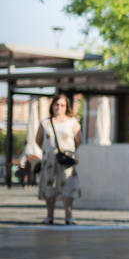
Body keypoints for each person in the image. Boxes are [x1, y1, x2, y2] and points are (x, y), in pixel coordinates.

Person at [35, 94, 81, 225]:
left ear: (67, 107)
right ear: (52, 106)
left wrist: (67, 152)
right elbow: (38, 140)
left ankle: (69, 215)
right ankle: (49, 216)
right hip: (49, 160)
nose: (59, 107)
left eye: (62, 105)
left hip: (67, 160)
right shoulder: (46, 123)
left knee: (69, 186)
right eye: (56, 104)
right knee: (50, 186)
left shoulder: (73, 122)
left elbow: (79, 140)